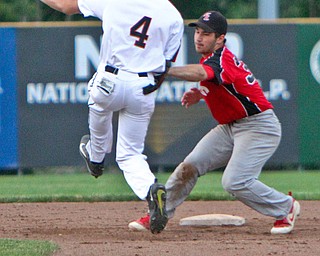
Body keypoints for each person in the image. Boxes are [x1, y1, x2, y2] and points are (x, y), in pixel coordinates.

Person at [40, 0, 184, 234]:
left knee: (98, 104)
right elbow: (166, 64)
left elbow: (65, 5)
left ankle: (96, 158)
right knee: (130, 154)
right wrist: (149, 87)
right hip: (143, 86)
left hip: (110, 79)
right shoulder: (172, 15)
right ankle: (150, 190)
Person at [156, 10, 300, 234]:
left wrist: (166, 70)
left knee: (234, 181)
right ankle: (159, 213)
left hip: (258, 126)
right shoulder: (211, 59)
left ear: (220, 38)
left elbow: (203, 73)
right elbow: (220, 83)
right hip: (230, 128)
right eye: (197, 31)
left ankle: (285, 207)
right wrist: (201, 93)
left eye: (206, 33)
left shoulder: (222, 59)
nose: (199, 37)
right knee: (191, 164)